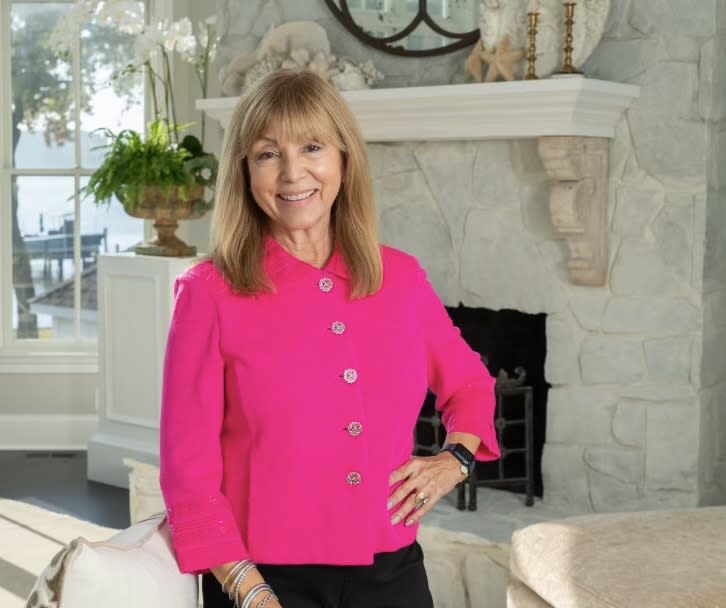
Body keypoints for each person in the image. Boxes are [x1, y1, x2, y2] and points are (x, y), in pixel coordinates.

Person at [159, 68, 500, 608]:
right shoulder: (208, 293)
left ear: (344, 158)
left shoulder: (402, 279)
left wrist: (454, 461)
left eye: (312, 147)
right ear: (245, 171)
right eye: (268, 154)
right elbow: (187, 472)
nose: (292, 172)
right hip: (260, 580)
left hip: (392, 573)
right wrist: (249, 590)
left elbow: (471, 385)